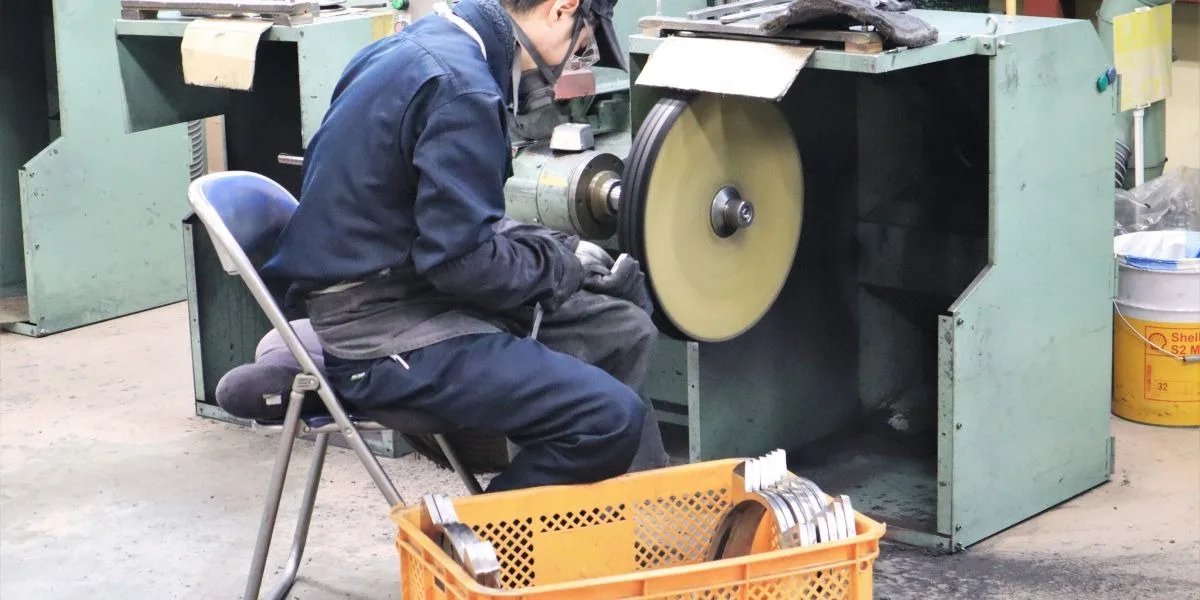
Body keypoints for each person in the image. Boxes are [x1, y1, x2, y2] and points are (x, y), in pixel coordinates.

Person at [261, 0, 669, 492]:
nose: (571, 65)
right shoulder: (463, 87)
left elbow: (448, 226)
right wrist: (562, 267)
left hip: (399, 287)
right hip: (380, 328)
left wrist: (562, 250)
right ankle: (484, 552)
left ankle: (633, 527)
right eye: (579, 49)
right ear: (561, 10)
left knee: (620, 327)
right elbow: (461, 262)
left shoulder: (409, 47)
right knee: (606, 419)